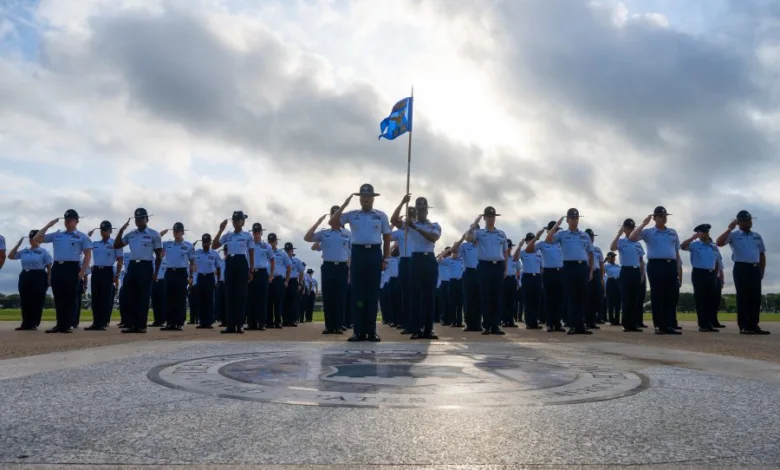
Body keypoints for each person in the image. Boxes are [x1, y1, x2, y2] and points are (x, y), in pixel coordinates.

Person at [330, 184, 392, 342]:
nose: (365, 199)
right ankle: (358, 331)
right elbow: (333, 222)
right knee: (358, 293)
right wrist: (344, 205)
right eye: (362, 197)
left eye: (368, 196)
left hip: (374, 253)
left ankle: (371, 331)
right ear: (359, 199)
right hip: (358, 253)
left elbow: (386, 238)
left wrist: (386, 258)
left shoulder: (381, 215)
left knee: (372, 293)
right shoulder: (351, 215)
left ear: (373, 198)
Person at [35, 209, 92, 334]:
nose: (67, 222)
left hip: (72, 267)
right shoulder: (57, 234)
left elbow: (88, 254)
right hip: (58, 267)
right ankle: (60, 324)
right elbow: (37, 238)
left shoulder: (82, 236)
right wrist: (49, 225)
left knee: (70, 297)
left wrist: (83, 271)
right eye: (66, 220)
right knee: (59, 296)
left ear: (77, 221)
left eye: (70, 220)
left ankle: (69, 324)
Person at [715, 210, 770, 335]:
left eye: (749, 220)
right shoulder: (734, 235)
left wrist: (762, 270)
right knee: (743, 297)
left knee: (755, 298)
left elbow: (762, 254)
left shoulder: (757, 236)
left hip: (755, 268)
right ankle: (744, 326)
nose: (748, 222)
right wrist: (729, 229)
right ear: (738, 222)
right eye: (745, 220)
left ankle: (754, 325)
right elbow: (719, 242)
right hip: (741, 268)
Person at [630, 206, 682, 335]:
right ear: (654, 218)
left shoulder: (672, 232)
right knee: (658, 295)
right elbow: (632, 237)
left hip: (671, 265)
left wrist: (679, 270)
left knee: (672, 296)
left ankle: (669, 324)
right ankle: (659, 325)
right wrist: (643, 223)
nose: (663, 217)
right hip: (656, 265)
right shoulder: (648, 232)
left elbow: (676, 252)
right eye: (660, 215)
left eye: (665, 215)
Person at [114, 208, 162, 334]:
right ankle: (131, 324)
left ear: (147, 219)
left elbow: (159, 255)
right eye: (137, 219)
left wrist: (156, 272)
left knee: (143, 297)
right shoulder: (131, 234)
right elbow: (117, 245)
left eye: (141, 218)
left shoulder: (154, 234)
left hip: (146, 266)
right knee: (130, 296)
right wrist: (121, 230)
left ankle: (141, 325)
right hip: (133, 266)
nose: (139, 221)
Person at [546, 208, 593, 335]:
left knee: (582, 297)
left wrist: (591, 270)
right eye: (572, 218)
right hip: (568, 266)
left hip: (582, 266)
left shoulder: (584, 235)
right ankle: (573, 325)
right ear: (567, 220)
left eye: (576, 218)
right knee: (572, 297)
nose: (575, 220)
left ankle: (581, 325)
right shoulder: (562, 234)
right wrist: (556, 225)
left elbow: (590, 253)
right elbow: (548, 239)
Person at [305, 210, 351, 334]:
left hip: (342, 267)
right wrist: (318, 222)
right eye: (334, 215)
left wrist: (349, 272)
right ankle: (329, 326)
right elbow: (307, 238)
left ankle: (339, 325)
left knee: (340, 298)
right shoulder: (325, 233)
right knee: (329, 298)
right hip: (328, 267)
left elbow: (351, 254)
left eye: (338, 216)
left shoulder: (348, 234)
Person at [465, 206, 508, 336]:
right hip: (484, 266)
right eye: (488, 216)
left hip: (498, 266)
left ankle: (496, 325)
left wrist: (505, 268)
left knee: (496, 297)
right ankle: (487, 325)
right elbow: (468, 238)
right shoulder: (480, 233)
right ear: (484, 218)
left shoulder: (501, 233)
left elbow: (505, 252)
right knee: (486, 296)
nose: (491, 219)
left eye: (493, 216)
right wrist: (474, 224)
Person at [213, 211, 255, 334]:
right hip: (230, 262)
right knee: (229, 295)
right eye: (234, 220)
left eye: (238, 220)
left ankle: (240, 324)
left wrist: (251, 270)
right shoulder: (228, 235)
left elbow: (251, 253)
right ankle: (230, 325)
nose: (236, 222)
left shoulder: (247, 236)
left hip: (242, 262)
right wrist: (220, 230)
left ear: (243, 222)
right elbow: (214, 246)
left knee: (241, 295)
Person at [681, 224, 723, 332]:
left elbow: (717, 262)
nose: (705, 235)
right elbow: (682, 246)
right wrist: (692, 238)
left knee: (711, 300)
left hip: (711, 274)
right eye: (703, 233)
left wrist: (717, 275)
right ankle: (702, 325)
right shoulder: (694, 245)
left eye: (707, 232)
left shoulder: (713, 247)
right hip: (699, 273)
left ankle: (709, 324)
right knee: (701, 300)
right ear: (699, 234)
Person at [8, 231, 52, 330]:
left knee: (37, 300)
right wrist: (18, 245)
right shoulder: (25, 251)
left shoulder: (43, 251)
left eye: (34, 238)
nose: (32, 240)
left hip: (39, 275)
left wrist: (49, 280)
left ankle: (34, 323)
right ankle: (25, 323)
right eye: (31, 238)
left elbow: (49, 266)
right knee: (25, 299)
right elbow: (10, 256)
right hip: (25, 274)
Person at [527, 222, 565, 332]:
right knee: (549, 299)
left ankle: (558, 323)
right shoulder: (542, 243)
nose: (556, 232)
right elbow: (529, 250)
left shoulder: (561, 243)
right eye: (554, 230)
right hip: (548, 272)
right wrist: (536, 237)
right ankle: (550, 323)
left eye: (557, 230)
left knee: (559, 299)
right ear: (549, 231)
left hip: (560, 272)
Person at [610, 219, 646, 332]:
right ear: (624, 229)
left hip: (636, 272)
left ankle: (633, 323)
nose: (630, 230)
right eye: (628, 228)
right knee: (626, 298)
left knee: (635, 299)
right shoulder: (621, 241)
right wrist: (618, 233)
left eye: (632, 228)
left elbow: (641, 261)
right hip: (625, 271)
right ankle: (626, 324)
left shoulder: (637, 244)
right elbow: (612, 247)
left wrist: (642, 275)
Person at [159, 223, 195, 331]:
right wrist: (160, 234)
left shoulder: (188, 246)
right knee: (169, 298)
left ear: (183, 232)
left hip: (181, 272)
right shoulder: (167, 244)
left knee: (180, 298)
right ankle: (169, 322)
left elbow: (192, 261)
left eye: (178, 231)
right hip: (170, 272)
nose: (176, 233)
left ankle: (179, 322)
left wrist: (191, 276)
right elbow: (156, 244)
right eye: (174, 231)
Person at [87, 221, 122, 330]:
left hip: (108, 271)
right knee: (96, 298)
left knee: (105, 298)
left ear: (110, 231)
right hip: (97, 271)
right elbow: (85, 247)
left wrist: (117, 274)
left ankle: (103, 322)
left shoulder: (115, 243)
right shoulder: (95, 243)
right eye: (102, 230)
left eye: (106, 230)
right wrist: (88, 235)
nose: (104, 232)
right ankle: (96, 322)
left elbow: (120, 260)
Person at [389, 205, 416, 333]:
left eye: (413, 215)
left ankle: (417, 323)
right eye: (409, 215)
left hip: (417, 260)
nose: (412, 217)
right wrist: (401, 204)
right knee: (405, 294)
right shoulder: (401, 230)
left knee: (417, 294)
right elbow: (388, 233)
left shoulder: (420, 228)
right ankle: (406, 323)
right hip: (405, 261)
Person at [452, 227, 481, 332]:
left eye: (476, 231)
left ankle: (478, 324)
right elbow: (453, 250)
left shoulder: (483, 245)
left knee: (479, 299)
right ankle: (469, 324)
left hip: (480, 273)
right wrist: (461, 239)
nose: (474, 233)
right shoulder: (465, 246)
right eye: (472, 231)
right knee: (468, 299)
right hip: (468, 273)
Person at [246, 223, 274, 330]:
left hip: (262, 273)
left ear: (261, 233)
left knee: (262, 299)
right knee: (251, 299)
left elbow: (272, 261)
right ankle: (251, 323)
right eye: (255, 232)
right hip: (251, 273)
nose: (256, 234)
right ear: (252, 233)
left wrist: (271, 275)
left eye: (258, 232)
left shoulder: (266, 246)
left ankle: (262, 323)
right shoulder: (249, 244)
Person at [515, 232, 543, 329]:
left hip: (537, 277)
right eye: (529, 240)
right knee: (528, 301)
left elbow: (541, 267)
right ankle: (529, 322)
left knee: (536, 300)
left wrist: (541, 279)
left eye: (533, 239)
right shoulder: (523, 252)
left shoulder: (539, 253)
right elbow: (515, 258)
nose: (531, 241)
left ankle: (534, 322)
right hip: (527, 277)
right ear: (526, 241)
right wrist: (519, 246)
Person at [193, 233, 220, 329]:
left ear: (210, 242)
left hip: (210, 277)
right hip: (201, 277)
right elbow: (192, 262)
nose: (205, 244)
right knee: (201, 300)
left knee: (209, 300)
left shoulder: (214, 254)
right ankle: (202, 321)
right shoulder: (197, 253)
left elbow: (218, 267)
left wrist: (218, 280)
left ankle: (209, 322)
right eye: (204, 242)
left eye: (207, 242)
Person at [268, 233, 291, 328]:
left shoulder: (282, 253)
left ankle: (277, 322)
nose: (271, 243)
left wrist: (286, 281)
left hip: (278, 279)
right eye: (270, 241)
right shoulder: (266, 251)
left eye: (273, 241)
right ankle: (268, 322)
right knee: (268, 302)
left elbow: (289, 267)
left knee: (278, 302)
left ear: (276, 241)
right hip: (268, 279)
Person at [585, 229, 604, 329]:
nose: (591, 238)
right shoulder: (583, 247)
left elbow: (601, 264)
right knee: (586, 297)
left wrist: (601, 278)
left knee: (595, 298)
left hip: (596, 272)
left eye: (592, 237)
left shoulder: (597, 249)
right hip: (586, 271)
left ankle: (592, 321)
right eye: (590, 236)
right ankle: (586, 320)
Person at [282, 242, 305, 326]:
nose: (288, 252)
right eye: (286, 250)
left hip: (293, 281)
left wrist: (300, 283)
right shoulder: (282, 260)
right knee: (284, 301)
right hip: (284, 281)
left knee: (293, 301)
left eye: (289, 250)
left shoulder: (296, 261)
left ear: (292, 250)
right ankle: (285, 320)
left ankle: (293, 320)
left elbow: (301, 272)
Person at [502, 239, 520, 328]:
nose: (510, 249)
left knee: (512, 301)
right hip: (504, 280)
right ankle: (504, 320)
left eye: (511, 247)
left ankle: (511, 320)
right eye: (509, 247)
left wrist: (517, 283)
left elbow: (518, 270)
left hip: (512, 280)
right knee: (504, 301)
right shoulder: (501, 258)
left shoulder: (513, 258)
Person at [604, 252, 622, 326]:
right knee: (610, 302)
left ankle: (617, 320)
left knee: (618, 303)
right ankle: (611, 320)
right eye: (612, 256)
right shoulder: (606, 266)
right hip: (610, 281)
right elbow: (599, 267)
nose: (614, 258)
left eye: (614, 256)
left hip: (618, 282)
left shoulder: (618, 266)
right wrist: (604, 260)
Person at [448, 248, 464, 328]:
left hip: (461, 282)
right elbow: (438, 260)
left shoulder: (463, 260)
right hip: (452, 282)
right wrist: (446, 251)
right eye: (454, 252)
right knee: (452, 303)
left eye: (457, 252)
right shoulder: (449, 260)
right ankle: (453, 322)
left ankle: (460, 322)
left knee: (460, 303)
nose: (456, 253)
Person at [150, 255, 166, 327]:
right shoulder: (152, 259)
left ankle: (162, 320)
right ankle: (156, 320)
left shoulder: (166, 260)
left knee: (162, 301)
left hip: (162, 281)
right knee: (154, 301)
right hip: (153, 281)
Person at [437, 248, 451, 326]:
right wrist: (442, 253)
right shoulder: (442, 261)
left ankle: (450, 319)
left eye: (449, 252)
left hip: (450, 282)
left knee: (450, 303)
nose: (448, 254)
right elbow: (437, 260)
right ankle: (445, 319)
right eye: (447, 252)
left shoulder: (452, 259)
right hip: (444, 283)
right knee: (444, 302)